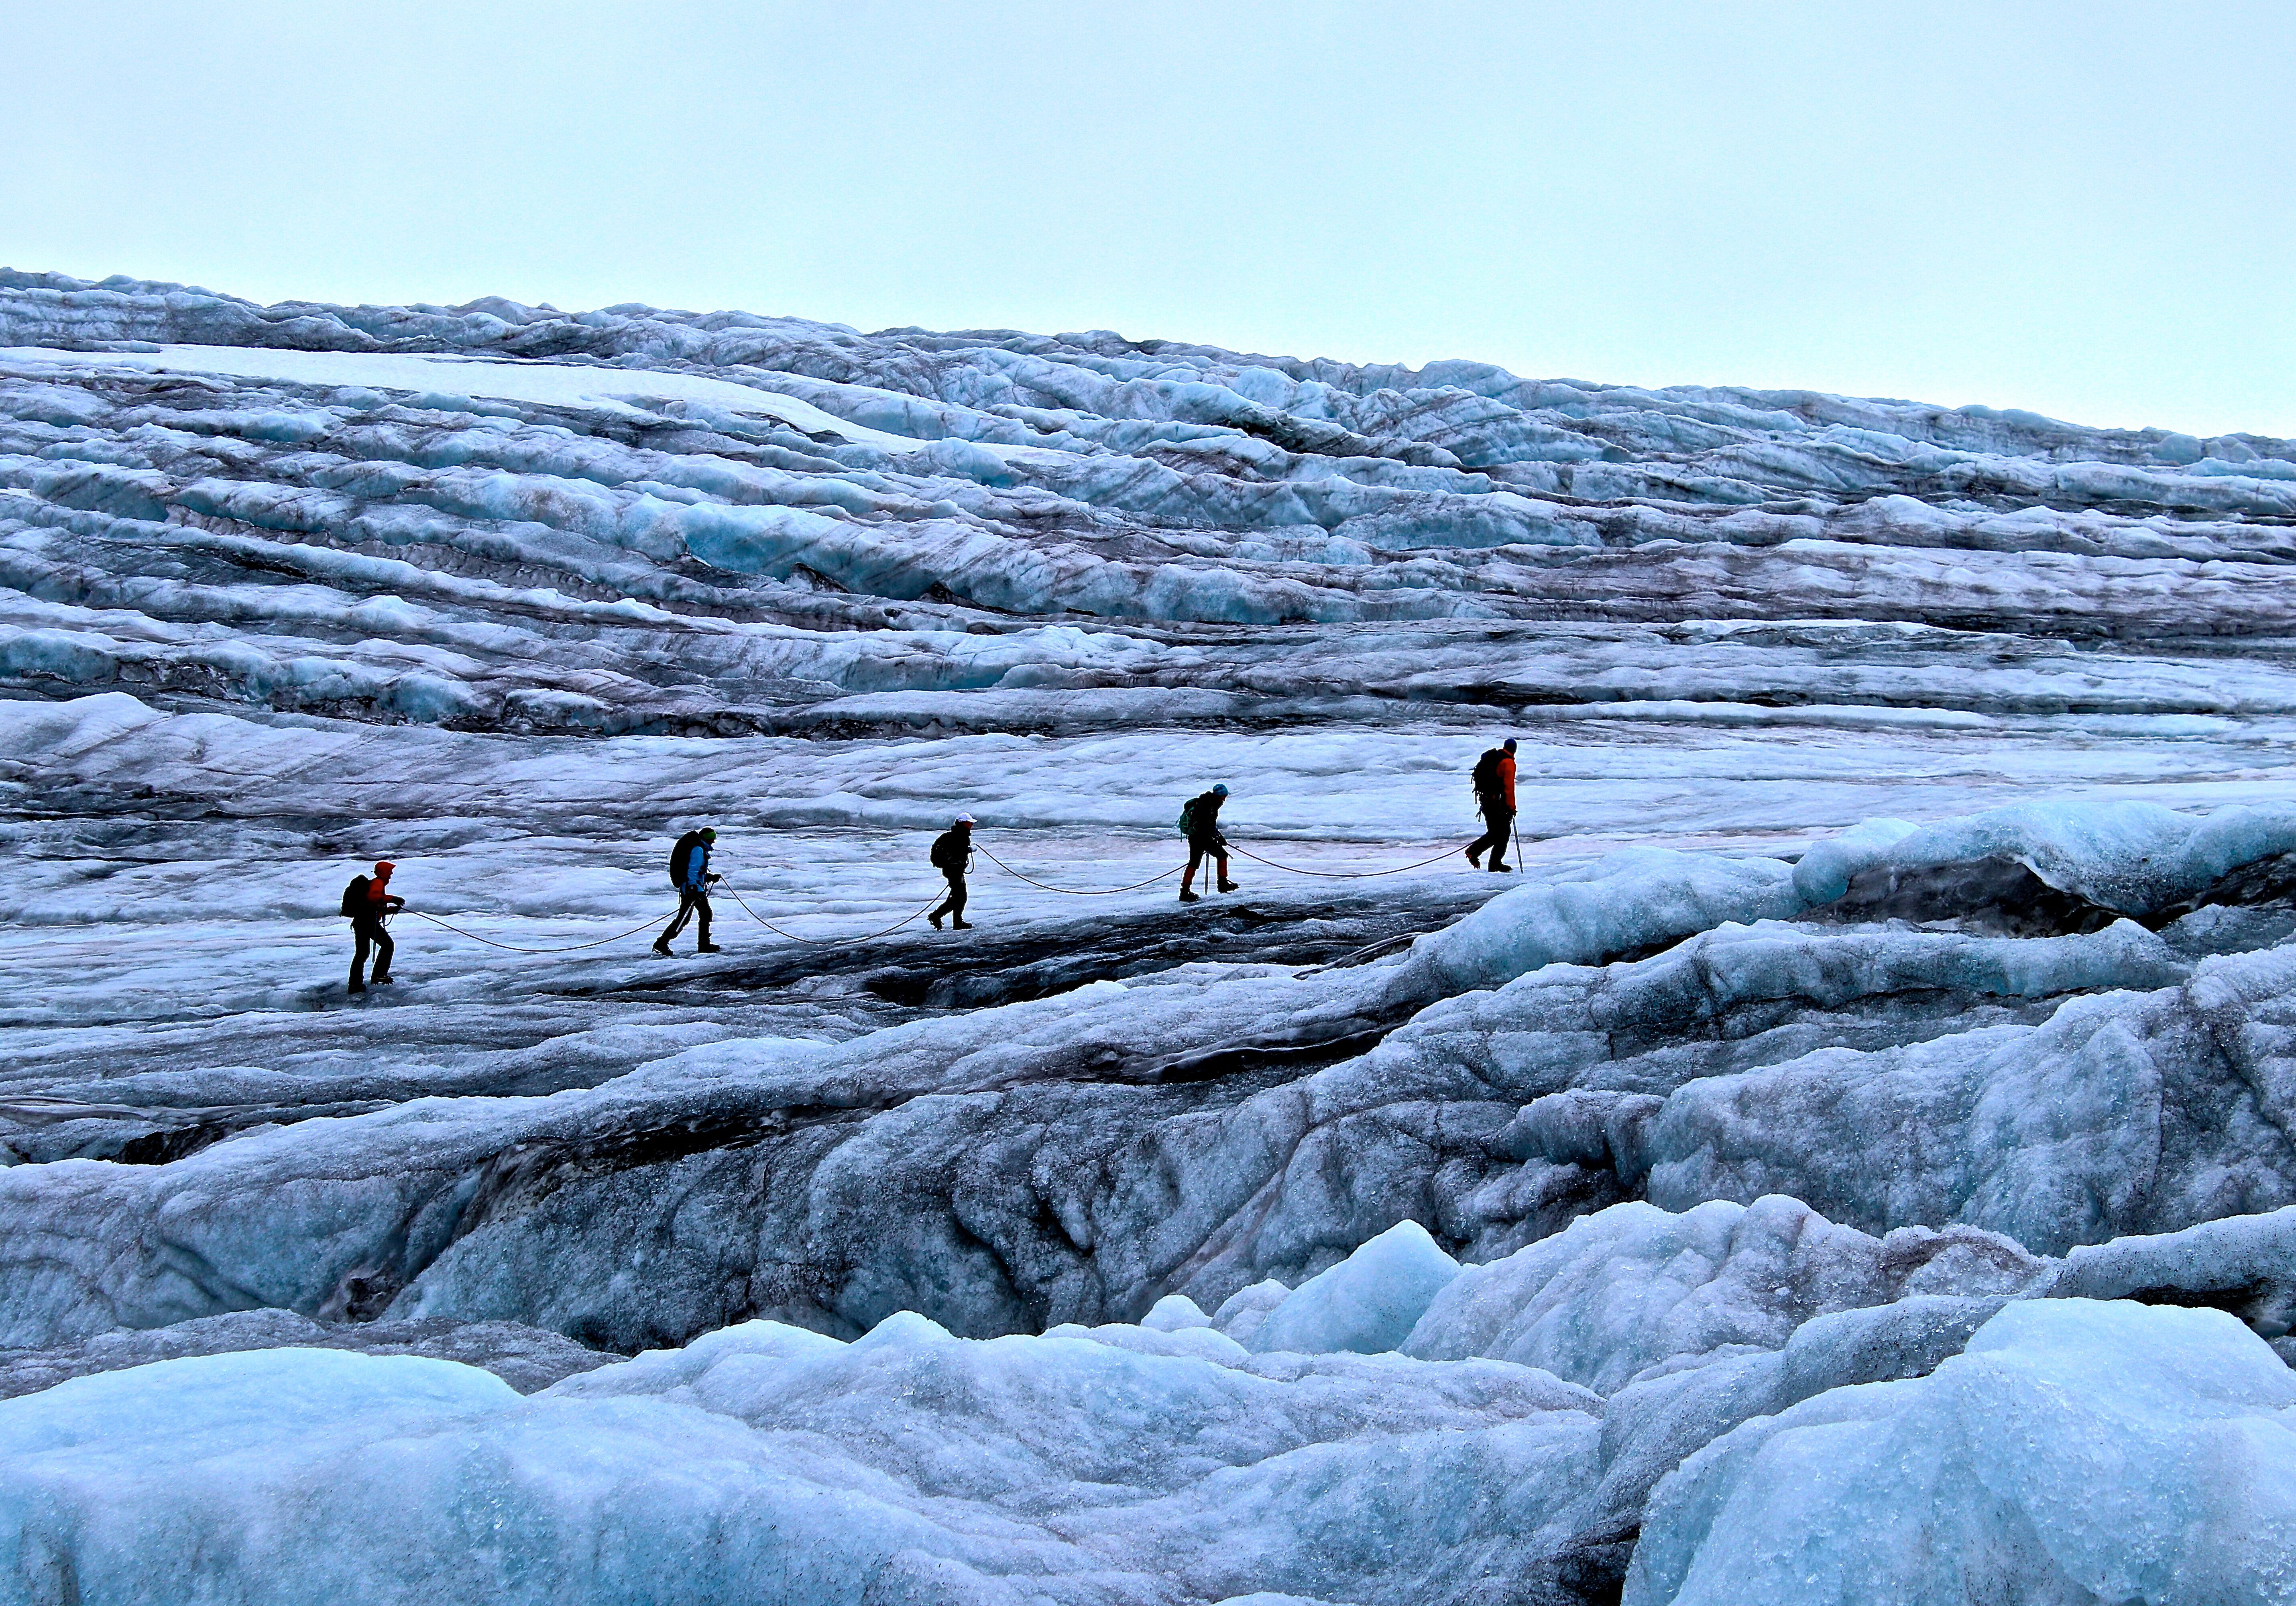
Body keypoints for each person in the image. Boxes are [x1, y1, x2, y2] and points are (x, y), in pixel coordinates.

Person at [654, 826, 721, 955]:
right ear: (707, 839)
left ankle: (703, 944)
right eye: (712, 839)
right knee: (691, 917)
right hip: (693, 890)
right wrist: (693, 888)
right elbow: (693, 870)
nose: (713, 842)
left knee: (697, 915)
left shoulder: (699, 848)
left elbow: (697, 872)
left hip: (693, 888)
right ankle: (663, 943)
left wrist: (710, 878)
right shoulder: (698, 850)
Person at [344, 860, 404, 995]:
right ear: (384, 873)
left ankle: (355, 985)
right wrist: (392, 898)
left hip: (362, 922)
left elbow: (374, 906)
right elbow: (373, 897)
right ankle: (379, 974)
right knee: (388, 945)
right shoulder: (378, 883)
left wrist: (390, 910)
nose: (391, 874)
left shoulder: (377, 883)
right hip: (367, 922)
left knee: (362, 954)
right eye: (389, 872)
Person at [1178, 783, 1237, 904]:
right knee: (1222, 856)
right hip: (1202, 838)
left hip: (1195, 838)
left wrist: (1218, 836)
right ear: (1220, 795)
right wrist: (1216, 837)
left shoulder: (1208, 803)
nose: (1225, 799)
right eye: (1224, 796)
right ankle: (1222, 884)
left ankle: (1184, 892)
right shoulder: (1209, 806)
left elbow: (1210, 825)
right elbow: (1206, 825)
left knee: (1194, 863)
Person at [1466, 739, 1518, 872]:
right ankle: (1490, 861)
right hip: (1497, 804)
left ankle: (1487, 859)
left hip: (1486, 801)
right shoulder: (1508, 762)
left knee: (1496, 833)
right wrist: (1511, 808)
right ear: (1515, 750)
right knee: (1503, 833)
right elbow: (1509, 788)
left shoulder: (1494, 758)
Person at [928, 814, 975, 929]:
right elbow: (959, 851)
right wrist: (970, 850)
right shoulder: (960, 836)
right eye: (969, 823)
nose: (972, 825)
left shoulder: (955, 835)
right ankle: (938, 916)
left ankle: (956, 921)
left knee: (959, 896)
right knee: (960, 897)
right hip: (954, 871)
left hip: (953, 870)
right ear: (963, 823)